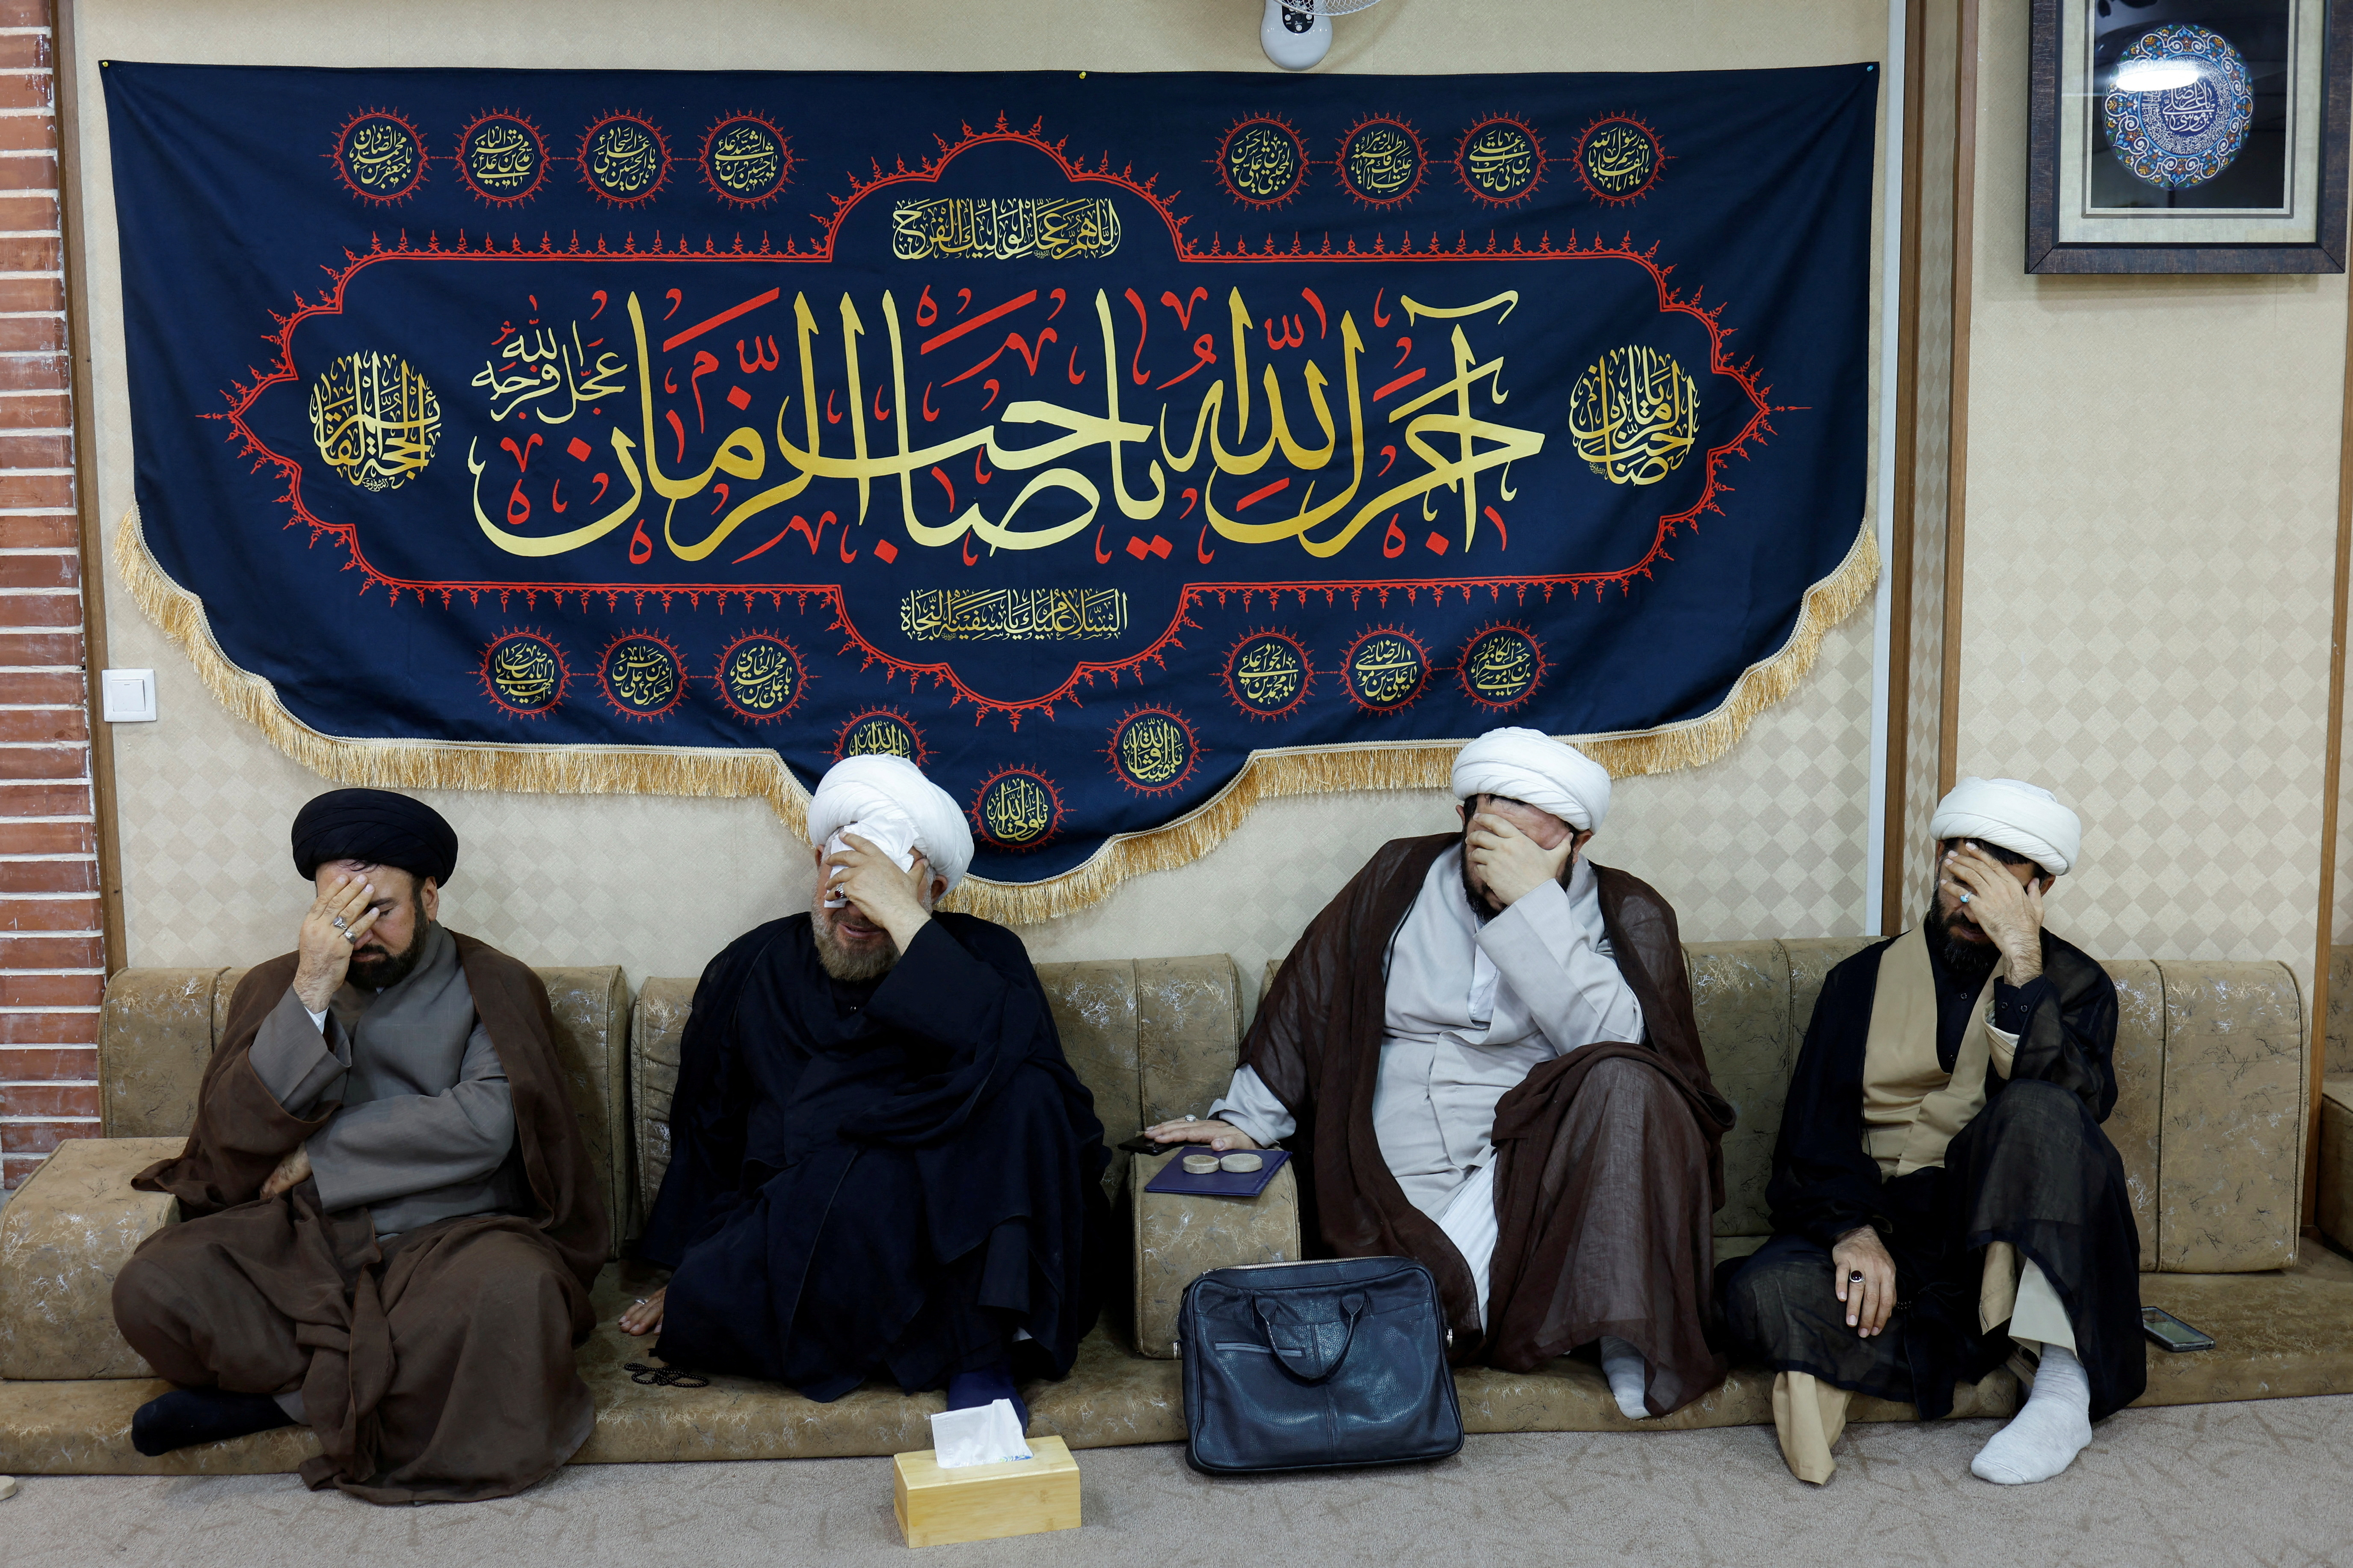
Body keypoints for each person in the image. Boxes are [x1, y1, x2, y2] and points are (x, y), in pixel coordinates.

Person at [1146, 727, 1734, 1418]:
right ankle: (1458, 1303)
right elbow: (1310, 1001)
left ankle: (1621, 1321)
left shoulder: (1625, 911)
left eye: (1532, 830)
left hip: (1534, 1170)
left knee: (1628, 1082)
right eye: (1491, 825)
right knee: (1407, 1276)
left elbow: (1628, 1054)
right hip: (1391, 1172)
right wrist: (1243, 1123)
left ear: (1580, 841)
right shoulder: (1399, 877)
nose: (1504, 845)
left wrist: (1534, 907)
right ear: (1462, 817)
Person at [113, 789, 608, 1503]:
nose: (360, 931)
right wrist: (312, 990)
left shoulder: (494, 982)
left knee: (517, 1294)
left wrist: (324, 1150)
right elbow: (229, 1140)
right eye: (338, 912)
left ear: (431, 897)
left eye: (381, 908)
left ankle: (279, 1403)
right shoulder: (278, 984)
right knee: (151, 1288)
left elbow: (487, 1120)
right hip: (306, 1237)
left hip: (452, 1236)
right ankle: (361, 1389)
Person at [623, 755, 1108, 1423]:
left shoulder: (982, 957)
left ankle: (981, 1360)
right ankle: (940, 1342)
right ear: (820, 859)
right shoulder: (752, 966)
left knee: (1026, 1095)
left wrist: (907, 922)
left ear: (933, 890)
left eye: (881, 895)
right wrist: (685, 1267)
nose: (856, 910)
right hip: (809, 1230)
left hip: (950, 1221)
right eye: (843, 880)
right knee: (723, 1284)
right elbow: (711, 1128)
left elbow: (1041, 1110)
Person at [1724, 777, 2141, 1486]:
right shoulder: (1857, 980)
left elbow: (2075, 1120)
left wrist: (2022, 964)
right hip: (1878, 1226)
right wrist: (1852, 1231)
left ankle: (2064, 1388)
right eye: (1959, 878)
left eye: (1996, 889)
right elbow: (1810, 1139)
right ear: (1940, 860)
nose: (1968, 904)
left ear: (2038, 889)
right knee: (1760, 1292)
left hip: (1989, 1236)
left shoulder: (2076, 984)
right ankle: (1957, 1337)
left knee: (2039, 1108)